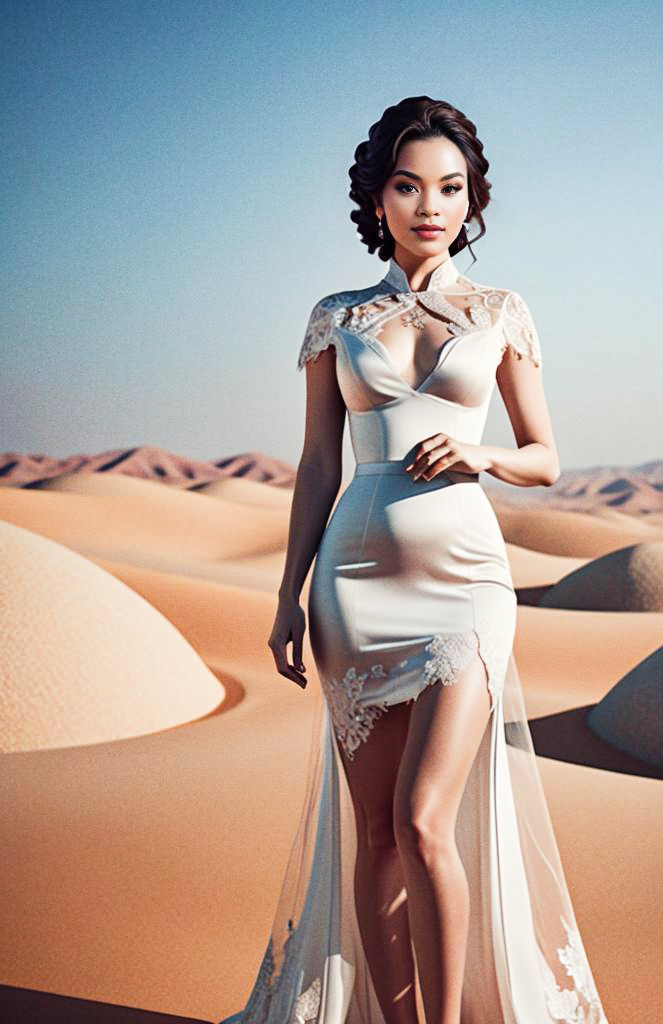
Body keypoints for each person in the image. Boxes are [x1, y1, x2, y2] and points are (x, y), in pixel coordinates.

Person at [220, 95, 610, 1024]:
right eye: (408, 185)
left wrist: (485, 455)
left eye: (449, 187)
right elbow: (318, 464)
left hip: (467, 584)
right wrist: (287, 596)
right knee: (381, 834)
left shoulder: (500, 311)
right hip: (353, 586)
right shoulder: (336, 317)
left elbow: (547, 457)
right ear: (379, 198)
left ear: (470, 199)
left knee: (429, 822)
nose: (429, 204)